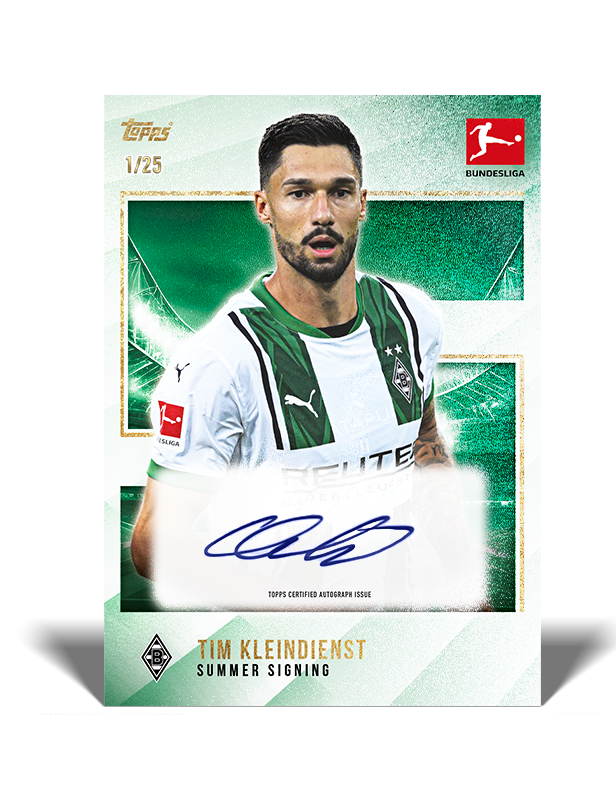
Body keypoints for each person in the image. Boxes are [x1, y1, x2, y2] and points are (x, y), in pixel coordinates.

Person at [131, 113, 479, 609]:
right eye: (298, 193)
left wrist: (464, 586)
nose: (322, 213)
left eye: (340, 192)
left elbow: (425, 445)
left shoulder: (411, 318)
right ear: (264, 207)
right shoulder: (220, 361)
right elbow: (154, 544)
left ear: (362, 203)